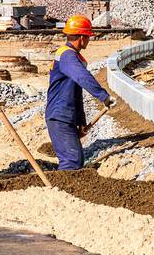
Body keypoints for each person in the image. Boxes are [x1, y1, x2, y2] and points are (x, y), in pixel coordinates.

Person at [45, 15, 116, 171]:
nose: (89, 41)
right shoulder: (67, 55)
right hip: (59, 115)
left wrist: (81, 122)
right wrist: (103, 96)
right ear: (82, 38)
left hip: (64, 115)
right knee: (71, 161)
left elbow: (76, 93)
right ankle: (60, 194)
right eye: (88, 37)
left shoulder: (71, 56)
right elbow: (82, 77)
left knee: (76, 159)